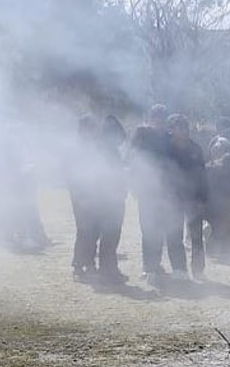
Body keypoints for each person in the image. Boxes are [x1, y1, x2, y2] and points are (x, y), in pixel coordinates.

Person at [70, 115, 128, 284]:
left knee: (110, 235)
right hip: (96, 198)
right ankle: (81, 266)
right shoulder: (98, 149)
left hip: (111, 198)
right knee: (88, 232)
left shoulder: (111, 150)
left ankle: (107, 268)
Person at [130, 104, 183, 281]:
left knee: (171, 229)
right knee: (150, 231)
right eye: (156, 118)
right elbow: (134, 161)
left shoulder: (171, 139)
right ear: (151, 119)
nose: (159, 122)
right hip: (148, 191)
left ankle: (175, 268)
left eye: (162, 118)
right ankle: (150, 267)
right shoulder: (142, 135)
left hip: (169, 192)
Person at [167, 114, 208, 280]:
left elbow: (202, 175)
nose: (183, 131)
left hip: (193, 198)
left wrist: (204, 197)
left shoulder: (196, 149)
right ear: (172, 130)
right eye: (179, 128)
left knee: (196, 236)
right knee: (174, 234)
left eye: (185, 128)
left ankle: (198, 269)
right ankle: (179, 269)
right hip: (173, 198)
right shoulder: (167, 149)